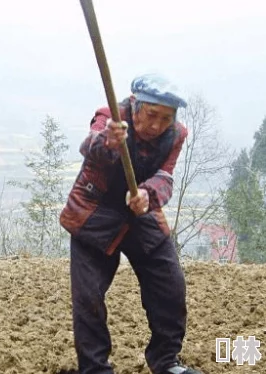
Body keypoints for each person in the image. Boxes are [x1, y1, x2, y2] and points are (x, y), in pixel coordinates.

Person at [60, 74, 202, 374]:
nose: (157, 125)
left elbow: (166, 175)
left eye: (166, 118)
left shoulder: (176, 135)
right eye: (152, 115)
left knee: (170, 286)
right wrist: (110, 140)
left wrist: (148, 195)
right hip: (94, 213)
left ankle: (166, 361)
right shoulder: (110, 118)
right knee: (89, 297)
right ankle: (95, 368)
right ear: (136, 106)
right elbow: (91, 146)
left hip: (141, 213)